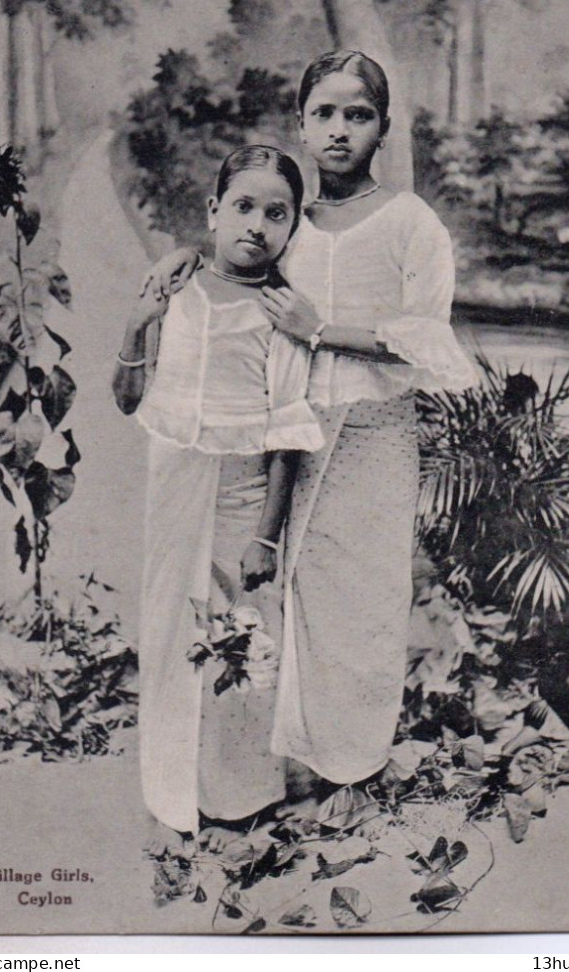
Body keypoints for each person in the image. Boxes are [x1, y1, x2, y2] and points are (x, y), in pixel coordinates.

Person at [143, 50, 476, 807]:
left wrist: (323, 330)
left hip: (373, 431)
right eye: (323, 114)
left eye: (357, 115)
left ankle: (353, 769)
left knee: (361, 598)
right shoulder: (293, 221)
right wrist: (183, 257)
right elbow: (241, 257)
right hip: (291, 432)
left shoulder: (408, 222)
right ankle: (285, 765)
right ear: (301, 124)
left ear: (383, 129)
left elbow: (428, 338)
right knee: (284, 593)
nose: (338, 130)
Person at [113, 145, 323, 854]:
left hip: (243, 492)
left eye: (277, 213)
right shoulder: (175, 289)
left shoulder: (281, 312)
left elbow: (290, 432)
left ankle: (242, 797)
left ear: (294, 226)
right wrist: (139, 322)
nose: (257, 226)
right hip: (176, 483)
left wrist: (266, 535)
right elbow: (127, 398)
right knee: (173, 630)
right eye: (242, 207)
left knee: (242, 637)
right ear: (212, 212)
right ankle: (173, 788)